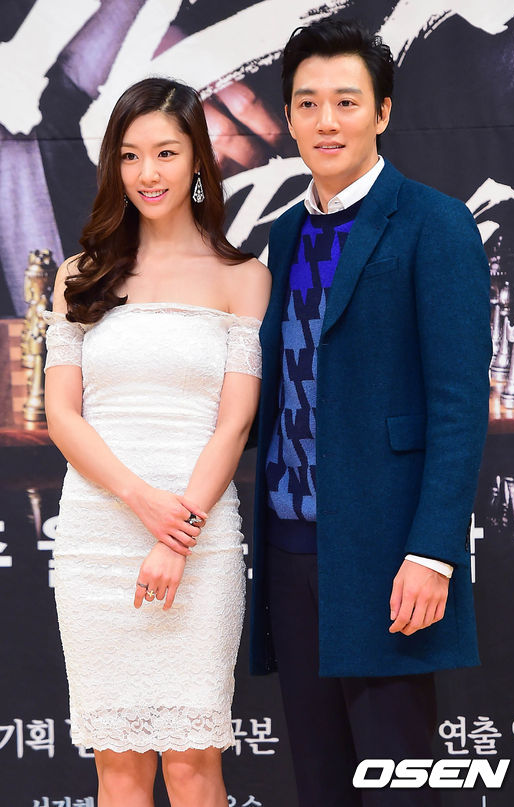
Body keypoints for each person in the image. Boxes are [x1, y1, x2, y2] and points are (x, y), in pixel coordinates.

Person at [250, 19, 491, 807]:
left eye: (346, 102)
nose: (327, 121)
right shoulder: (284, 233)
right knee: (320, 783)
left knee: (395, 783)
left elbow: (458, 404)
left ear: (382, 111)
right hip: (289, 552)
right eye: (308, 103)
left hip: (388, 553)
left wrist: (432, 551)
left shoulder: (434, 221)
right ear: (288, 117)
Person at [44, 77, 270, 807]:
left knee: (193, 765)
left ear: (198, 159)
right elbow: (63, 415)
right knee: (118, 770)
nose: (148, 172)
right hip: (98, 537)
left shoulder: (244, 278)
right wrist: (142, 502)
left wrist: (177, 534)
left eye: (167, 152)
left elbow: (234, 422)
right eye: (131, 154)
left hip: (199, 537)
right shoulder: (80, 276)